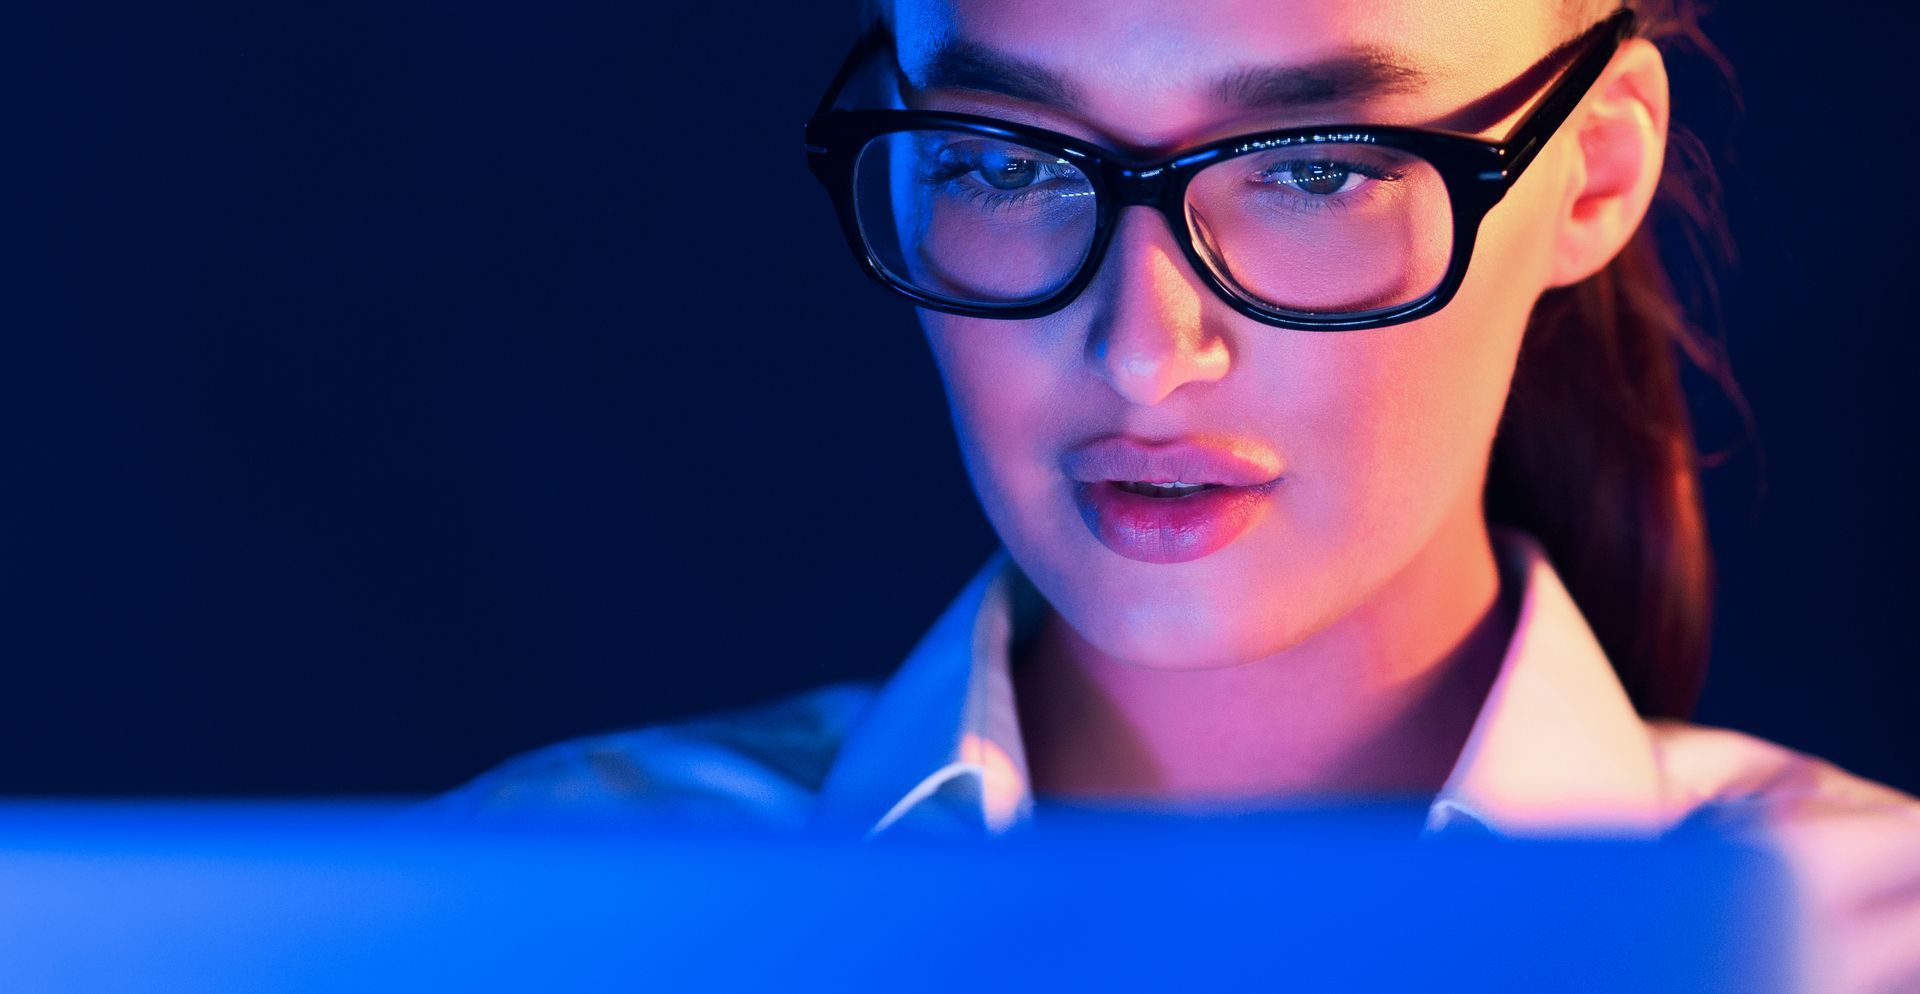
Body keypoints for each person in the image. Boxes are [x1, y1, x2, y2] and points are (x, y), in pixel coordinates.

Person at [436, 0, 1920, 985]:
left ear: (1593, 175)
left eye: (1320, 169)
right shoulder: (520, 919)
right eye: (1005, 163)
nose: (1148, 353)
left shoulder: (1863, 946)